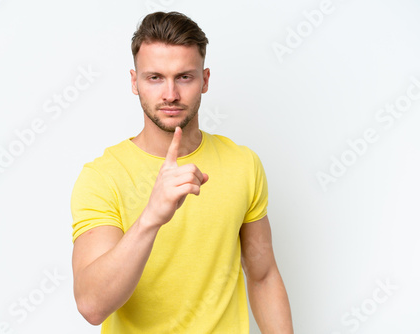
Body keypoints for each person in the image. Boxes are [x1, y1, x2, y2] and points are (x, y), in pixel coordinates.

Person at [70, 11, 294, 333]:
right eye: (155, 77)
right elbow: (92, 305)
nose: (171, 94)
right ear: (135, 82)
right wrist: (151, 217)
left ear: (205, 79)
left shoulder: (243, 163)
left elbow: (263, 276)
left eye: (184, 77)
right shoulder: (102, 177)